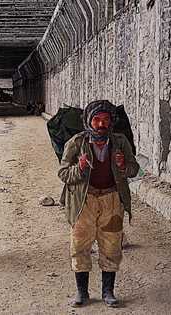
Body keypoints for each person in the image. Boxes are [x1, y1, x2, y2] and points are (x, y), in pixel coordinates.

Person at [58, 100, 139, 307]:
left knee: (111, 246)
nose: (101, 124)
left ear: (111, 122)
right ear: (88, 121)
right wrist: (80, 168)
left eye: (105, 120)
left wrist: (123, 165)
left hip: (111, 200)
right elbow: (63, 173)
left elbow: (134, 169)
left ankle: (108, 292)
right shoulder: (76, 143)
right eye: (96, 120)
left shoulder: (120, 142)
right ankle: (82, 293)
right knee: (79, 246)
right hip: (84, 202)